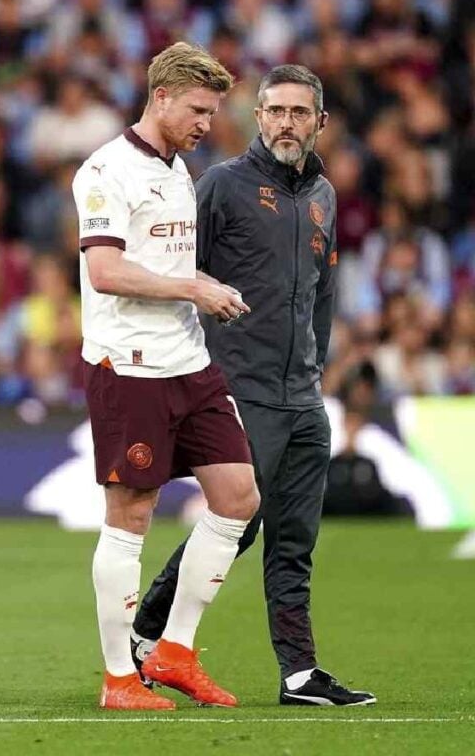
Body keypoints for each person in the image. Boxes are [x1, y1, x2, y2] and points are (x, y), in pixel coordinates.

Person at [132, 65, 376, 707]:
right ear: (257, 117)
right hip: (238, 387)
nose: (286, 123)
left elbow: (324, 293)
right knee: (236, 523)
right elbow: (180, 277)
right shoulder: (221, 186)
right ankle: (148, 631)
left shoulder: (322, 192)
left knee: (294, 538)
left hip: (303, 394)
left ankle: (299, 672)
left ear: (320, 121)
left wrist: (317, 367)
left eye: (299, 112)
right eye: (274, 111)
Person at [73, 41, 260, 711]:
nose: (207, 123)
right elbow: (106, 272)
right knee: (132, 516)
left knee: (238, 495)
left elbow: (161, 263)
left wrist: (204, 287)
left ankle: (175, 651)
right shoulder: (104, 171)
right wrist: (193, 288)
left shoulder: (178, 169)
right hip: (131, 366)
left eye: (211, 112)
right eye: (198, 109)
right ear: (160, 97)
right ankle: (120, 677)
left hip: (189, 362)